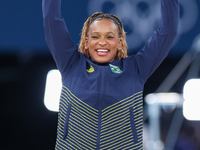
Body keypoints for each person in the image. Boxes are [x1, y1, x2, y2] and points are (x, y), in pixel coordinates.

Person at [42, 0, 179, 149]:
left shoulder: (136, 69)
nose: (102, 42)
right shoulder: (70, 64)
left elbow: (168, 31)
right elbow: (51, 19)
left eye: (109, 37)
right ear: (86, 42)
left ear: (119, 43)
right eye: (95, 36)